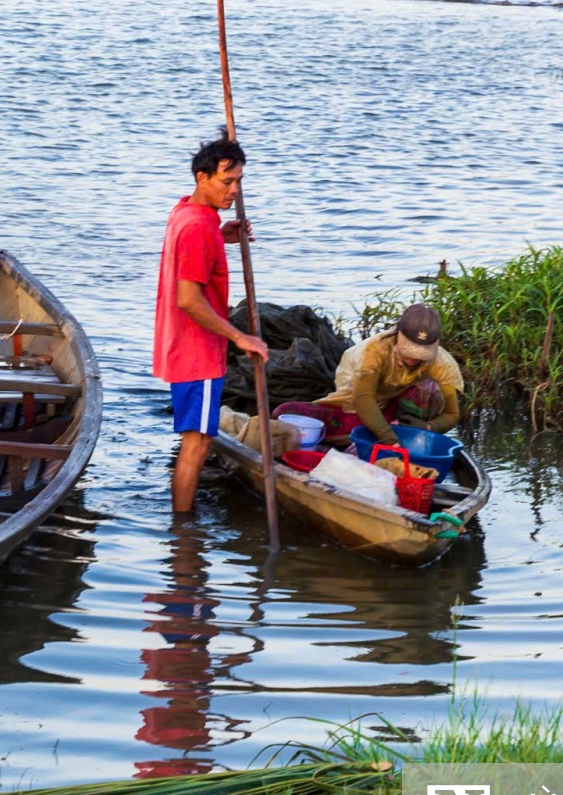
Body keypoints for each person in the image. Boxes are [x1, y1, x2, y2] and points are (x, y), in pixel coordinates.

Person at [155, 130, 270, 515]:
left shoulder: (188, 212)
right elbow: (189, 299)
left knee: (196, 438)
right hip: (198, 351)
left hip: (182, 346)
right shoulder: (197, 226)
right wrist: (241, 337)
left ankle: (181, 521)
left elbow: (192, 255)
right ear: (202, 178)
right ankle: (182, 532)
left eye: (238, 181)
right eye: (227, 181)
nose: (234, 190)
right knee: (198, 442)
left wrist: (222, 237)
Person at [276, 303, 464, 447]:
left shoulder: (442, 363)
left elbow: (452, 413)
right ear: (398, 335)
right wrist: (389, 439)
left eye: (421, 354)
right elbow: (362, 398)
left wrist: (429, 427)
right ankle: (383, 434)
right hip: (360, 405)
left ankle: (406, 436)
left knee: (429, 388)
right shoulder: (375, 351)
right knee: (284, 412)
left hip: (399, 413)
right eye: (410, 351)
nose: (414, 359)